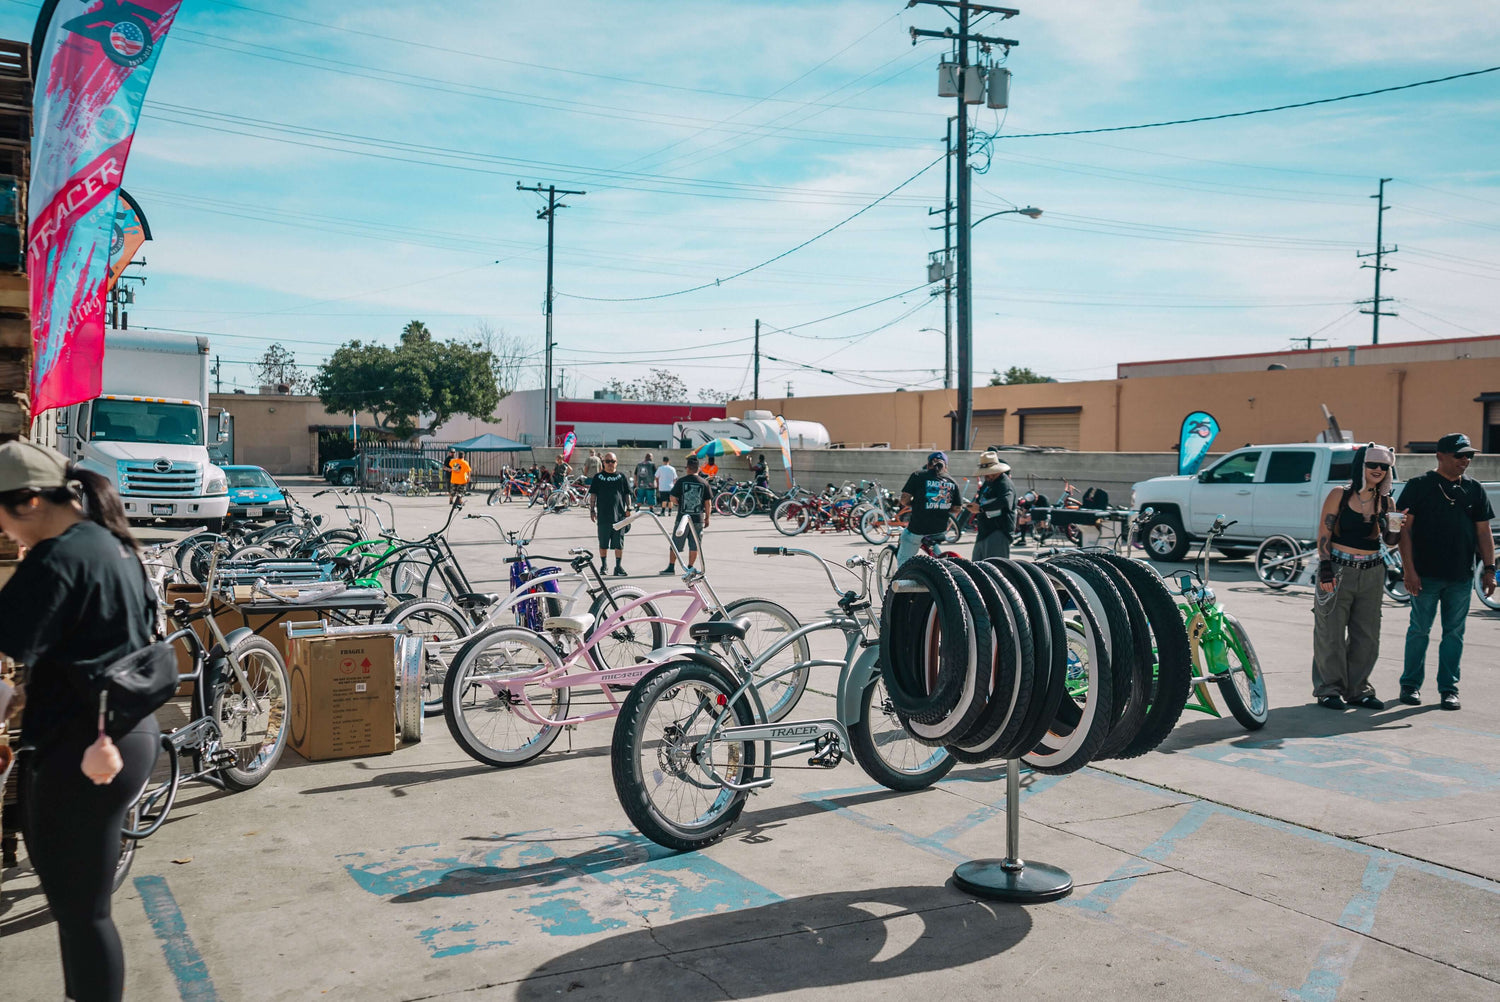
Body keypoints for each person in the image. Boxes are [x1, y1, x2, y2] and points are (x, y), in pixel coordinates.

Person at [0, 441, 161, 1002]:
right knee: (80, 906)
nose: (4, 531)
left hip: (85, 748)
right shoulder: (113, 543)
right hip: (128, 733)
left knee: (81, 911)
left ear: (27, 501)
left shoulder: (58, 557)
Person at [1397, 433, 1496, 710]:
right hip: (1424, 575)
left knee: (1454, 633)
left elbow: (1484, 532)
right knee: (1419, 630)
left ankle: (1449, 689)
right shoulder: (1419, 486)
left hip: (1460, 577)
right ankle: (1410, 685)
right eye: (1460, 455)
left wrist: (1489, 570)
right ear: (1440, 455)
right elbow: (1405, 530)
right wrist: (1409, 571)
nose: (1466, 460)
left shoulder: (1475, 489)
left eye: (1469, 455)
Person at [1311, 443, 1401, 710]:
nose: (1378, 470)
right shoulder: (1340, 494)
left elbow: (1391, 541)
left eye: (1384, 466)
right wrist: (1325, 567)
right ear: (1361, 466)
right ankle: (1329, 690)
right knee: (1331, 632)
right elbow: (1324, 534)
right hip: (1338, 569)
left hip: (1372, 571)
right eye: (1372, 464)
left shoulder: (1387, 501)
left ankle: (1358, 689)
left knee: (1368, 634)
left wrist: (1394, 525)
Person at [896, 451, 962, 565]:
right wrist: (941, 507)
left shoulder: (918, 475)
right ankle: (940, 564)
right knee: (935, 551)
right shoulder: (953, 482)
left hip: (918, 529)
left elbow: (904, 499)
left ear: (928, 464)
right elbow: (957, 508)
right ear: (946, 466)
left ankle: (902, 577)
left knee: (904, 557)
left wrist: (915, 504)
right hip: (940, 530)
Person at [662, 454, 712, 574]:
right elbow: (708, 503)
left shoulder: (681, 481)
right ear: (698, 468)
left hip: (683, 518)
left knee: (676, 543)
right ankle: (690, 568)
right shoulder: (704, 482)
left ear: (687, 468)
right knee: (695, 545)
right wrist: (707, 518)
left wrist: (679, 503)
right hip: (698, 519)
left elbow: (672, 497)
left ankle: (671, 567)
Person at [588, 452, 633, 576]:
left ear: (616, 462)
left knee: (619, 543)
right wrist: (592, 510)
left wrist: (629, 507)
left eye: (612, 461)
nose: (610, 464)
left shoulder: (621, 476)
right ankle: (604, 566)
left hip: (619, 516)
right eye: (607, 461)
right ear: (603, 463)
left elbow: (627, 494)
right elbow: (593, 495)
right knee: (603, 543)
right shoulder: (598, 477)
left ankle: (618, 567)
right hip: (603, 516)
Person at [968, 452, 1015, 561]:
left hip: (998, 531)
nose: (986, 475)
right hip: (985, 531)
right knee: (977, 568)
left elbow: (1005, 501)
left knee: (995, 569)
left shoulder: (1004, 483)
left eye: (988, 473)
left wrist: (981, 508)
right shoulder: (988, 482)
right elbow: (981, 500)